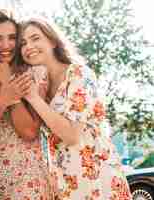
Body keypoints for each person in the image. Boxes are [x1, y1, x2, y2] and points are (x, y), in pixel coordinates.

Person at [20, 18, 132, 200]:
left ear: (53, 41)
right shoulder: (40, 84)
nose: (28, 46)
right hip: (65, 182)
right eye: (23, 43)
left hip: (95, 177)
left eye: (35, 38)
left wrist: (33, 98)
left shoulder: (79, 74)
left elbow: (72, 135)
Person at [0, 10, 52, 199]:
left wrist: (8, 84)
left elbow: (29, 132)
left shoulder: (36, 74)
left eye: (12, 38)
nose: (5, 45)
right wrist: (0, 102)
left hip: (26, 181)